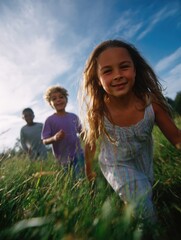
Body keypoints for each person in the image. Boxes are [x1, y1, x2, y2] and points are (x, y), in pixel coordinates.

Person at [79, 39, 181, 225]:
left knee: (145, 194)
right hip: (115, 165)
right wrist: (90, 175)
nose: (117, 75)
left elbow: (176, 138)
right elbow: (90, 145)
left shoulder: (151, 104)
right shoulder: (98, 113)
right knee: (143, 205)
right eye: (108, 71)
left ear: (134, 70)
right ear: (98, 80)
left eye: (124, 67)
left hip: (143, 161)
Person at [42, 86, 84, 177]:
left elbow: (82, 132)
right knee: (69, 180)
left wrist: (88, 137)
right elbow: (44, 140)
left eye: (61, 97)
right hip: (62, 158)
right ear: (50, 103)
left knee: (80, 178)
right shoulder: (49, 120)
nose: (58, 100)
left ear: (66, 99)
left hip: (78, 154)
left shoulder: (74, 117)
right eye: (54, 99)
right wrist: (54, 138)